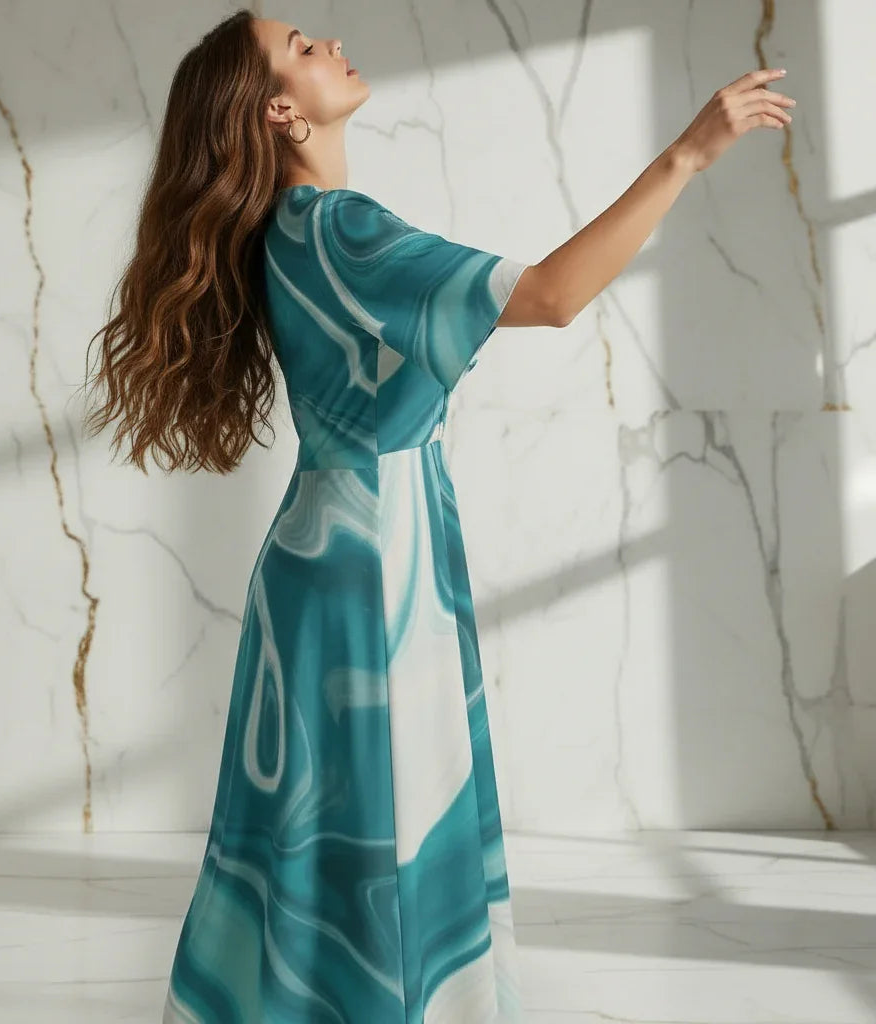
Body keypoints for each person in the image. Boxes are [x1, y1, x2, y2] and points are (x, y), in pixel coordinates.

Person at [80, 9, 795, 1022]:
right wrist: (686, 155)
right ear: (282, 110)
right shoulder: (340, 229)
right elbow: (548, 295)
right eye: (300, 46)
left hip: (336, 545)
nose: (327, 42)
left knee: (327, 837)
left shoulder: (291, 232)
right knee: (387, 830)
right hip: (374, 560)